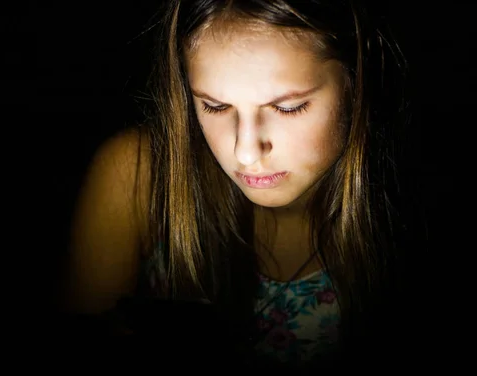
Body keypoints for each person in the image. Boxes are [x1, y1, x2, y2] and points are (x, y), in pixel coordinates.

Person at [66, 0, 417, 371]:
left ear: (356, 79)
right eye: (215, 106)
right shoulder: (136, 175)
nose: (246, 152)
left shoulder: (410, 217)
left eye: (288, 107)